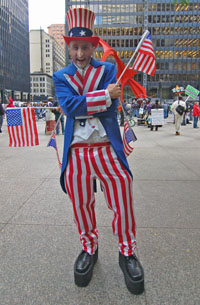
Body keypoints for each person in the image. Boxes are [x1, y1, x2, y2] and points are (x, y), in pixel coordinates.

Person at [52, 7, 144, 295]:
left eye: (86, 47)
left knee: (123, 196)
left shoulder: (108, 69)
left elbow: (110, 107)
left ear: (93, 46)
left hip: (106, 147)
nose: (80, 53)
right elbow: (70, 107)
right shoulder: (60, 75)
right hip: (78, 150)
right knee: (81, 203)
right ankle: (89, 248)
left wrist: (98, 101)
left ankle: (127, 251)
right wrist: (104, 95)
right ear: (69, 48)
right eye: (75, 47)